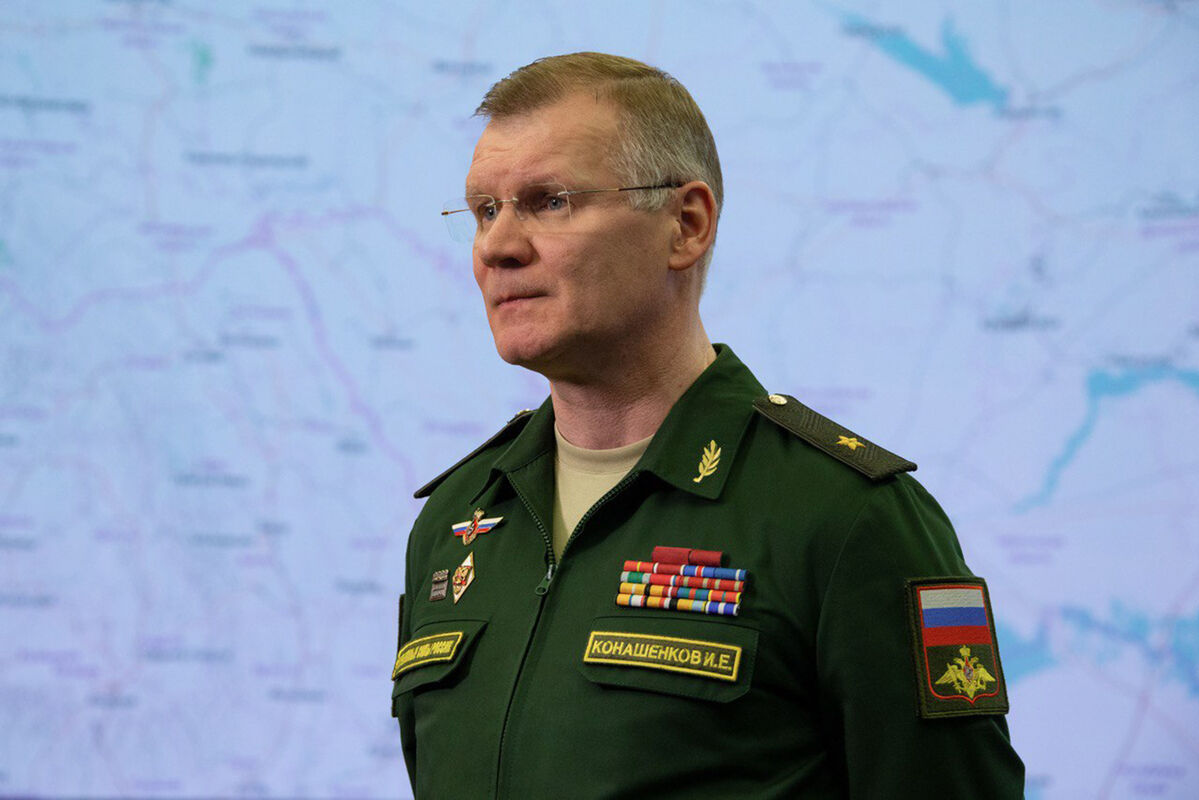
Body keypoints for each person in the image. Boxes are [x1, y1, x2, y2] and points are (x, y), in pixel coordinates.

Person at [391, 52, 1024, 798]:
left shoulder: (847, 519)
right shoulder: (458, 519)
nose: (498, 246)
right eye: (484, 211)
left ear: (685, 225)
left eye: (550, 201)